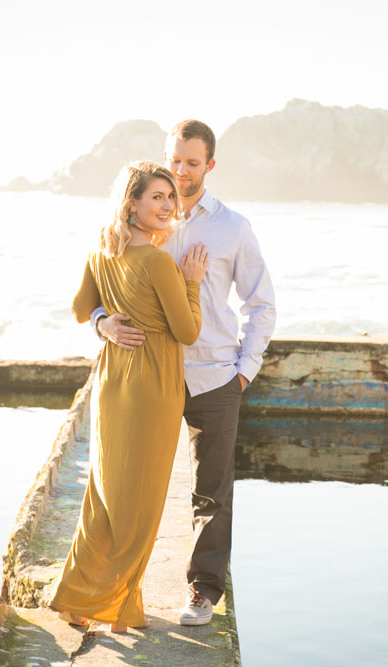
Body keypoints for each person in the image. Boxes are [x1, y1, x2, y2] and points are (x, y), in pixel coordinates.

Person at [92, 120, 276, 626]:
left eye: (191, 162)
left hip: (214, 376)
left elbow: (261, 303)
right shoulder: (146, 221)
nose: (180, 171)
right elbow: (104, 286)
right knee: (130, 484)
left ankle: (202, 592)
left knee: (212, 491)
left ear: (209, 166)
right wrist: (102, 323)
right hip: (148, 378)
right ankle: (111, 589)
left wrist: (245, 370)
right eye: (174, 160)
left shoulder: (232, 228)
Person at [50, 161, 209, 633]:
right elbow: (187, 330)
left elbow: (80, 310)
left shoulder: (102, 252)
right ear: (131, 204)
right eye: (155, 197)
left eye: (169, 197)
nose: (166, 205)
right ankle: (114, 605)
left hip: (112, 381)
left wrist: (104, 323)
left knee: (105, 494)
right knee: (139, 502)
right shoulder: (160, 263)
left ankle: (83, 598)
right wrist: (193, 281)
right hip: (152, 386)